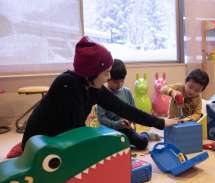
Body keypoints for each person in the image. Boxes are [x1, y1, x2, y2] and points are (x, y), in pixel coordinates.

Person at [21, 36, 178, 150]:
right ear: (91, 73)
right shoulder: (67, 84)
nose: (108, 77)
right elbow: (76, 132)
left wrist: (161, 123)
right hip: (41, 143)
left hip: (63, 138)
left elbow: (124, 109)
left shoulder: (92, 86)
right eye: (105, 73)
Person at [96, 59, 157, 150]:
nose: (120, 85)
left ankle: (145, 135)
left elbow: (133, 111)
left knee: (142, 143)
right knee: (107, 149)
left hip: (125, 129)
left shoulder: (126, 92)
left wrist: (132, 121)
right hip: (110, 131)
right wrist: (116, 124)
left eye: (122, 81)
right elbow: (101, 118)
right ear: (107, 79)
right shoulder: (103, 95)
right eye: (116, 82)